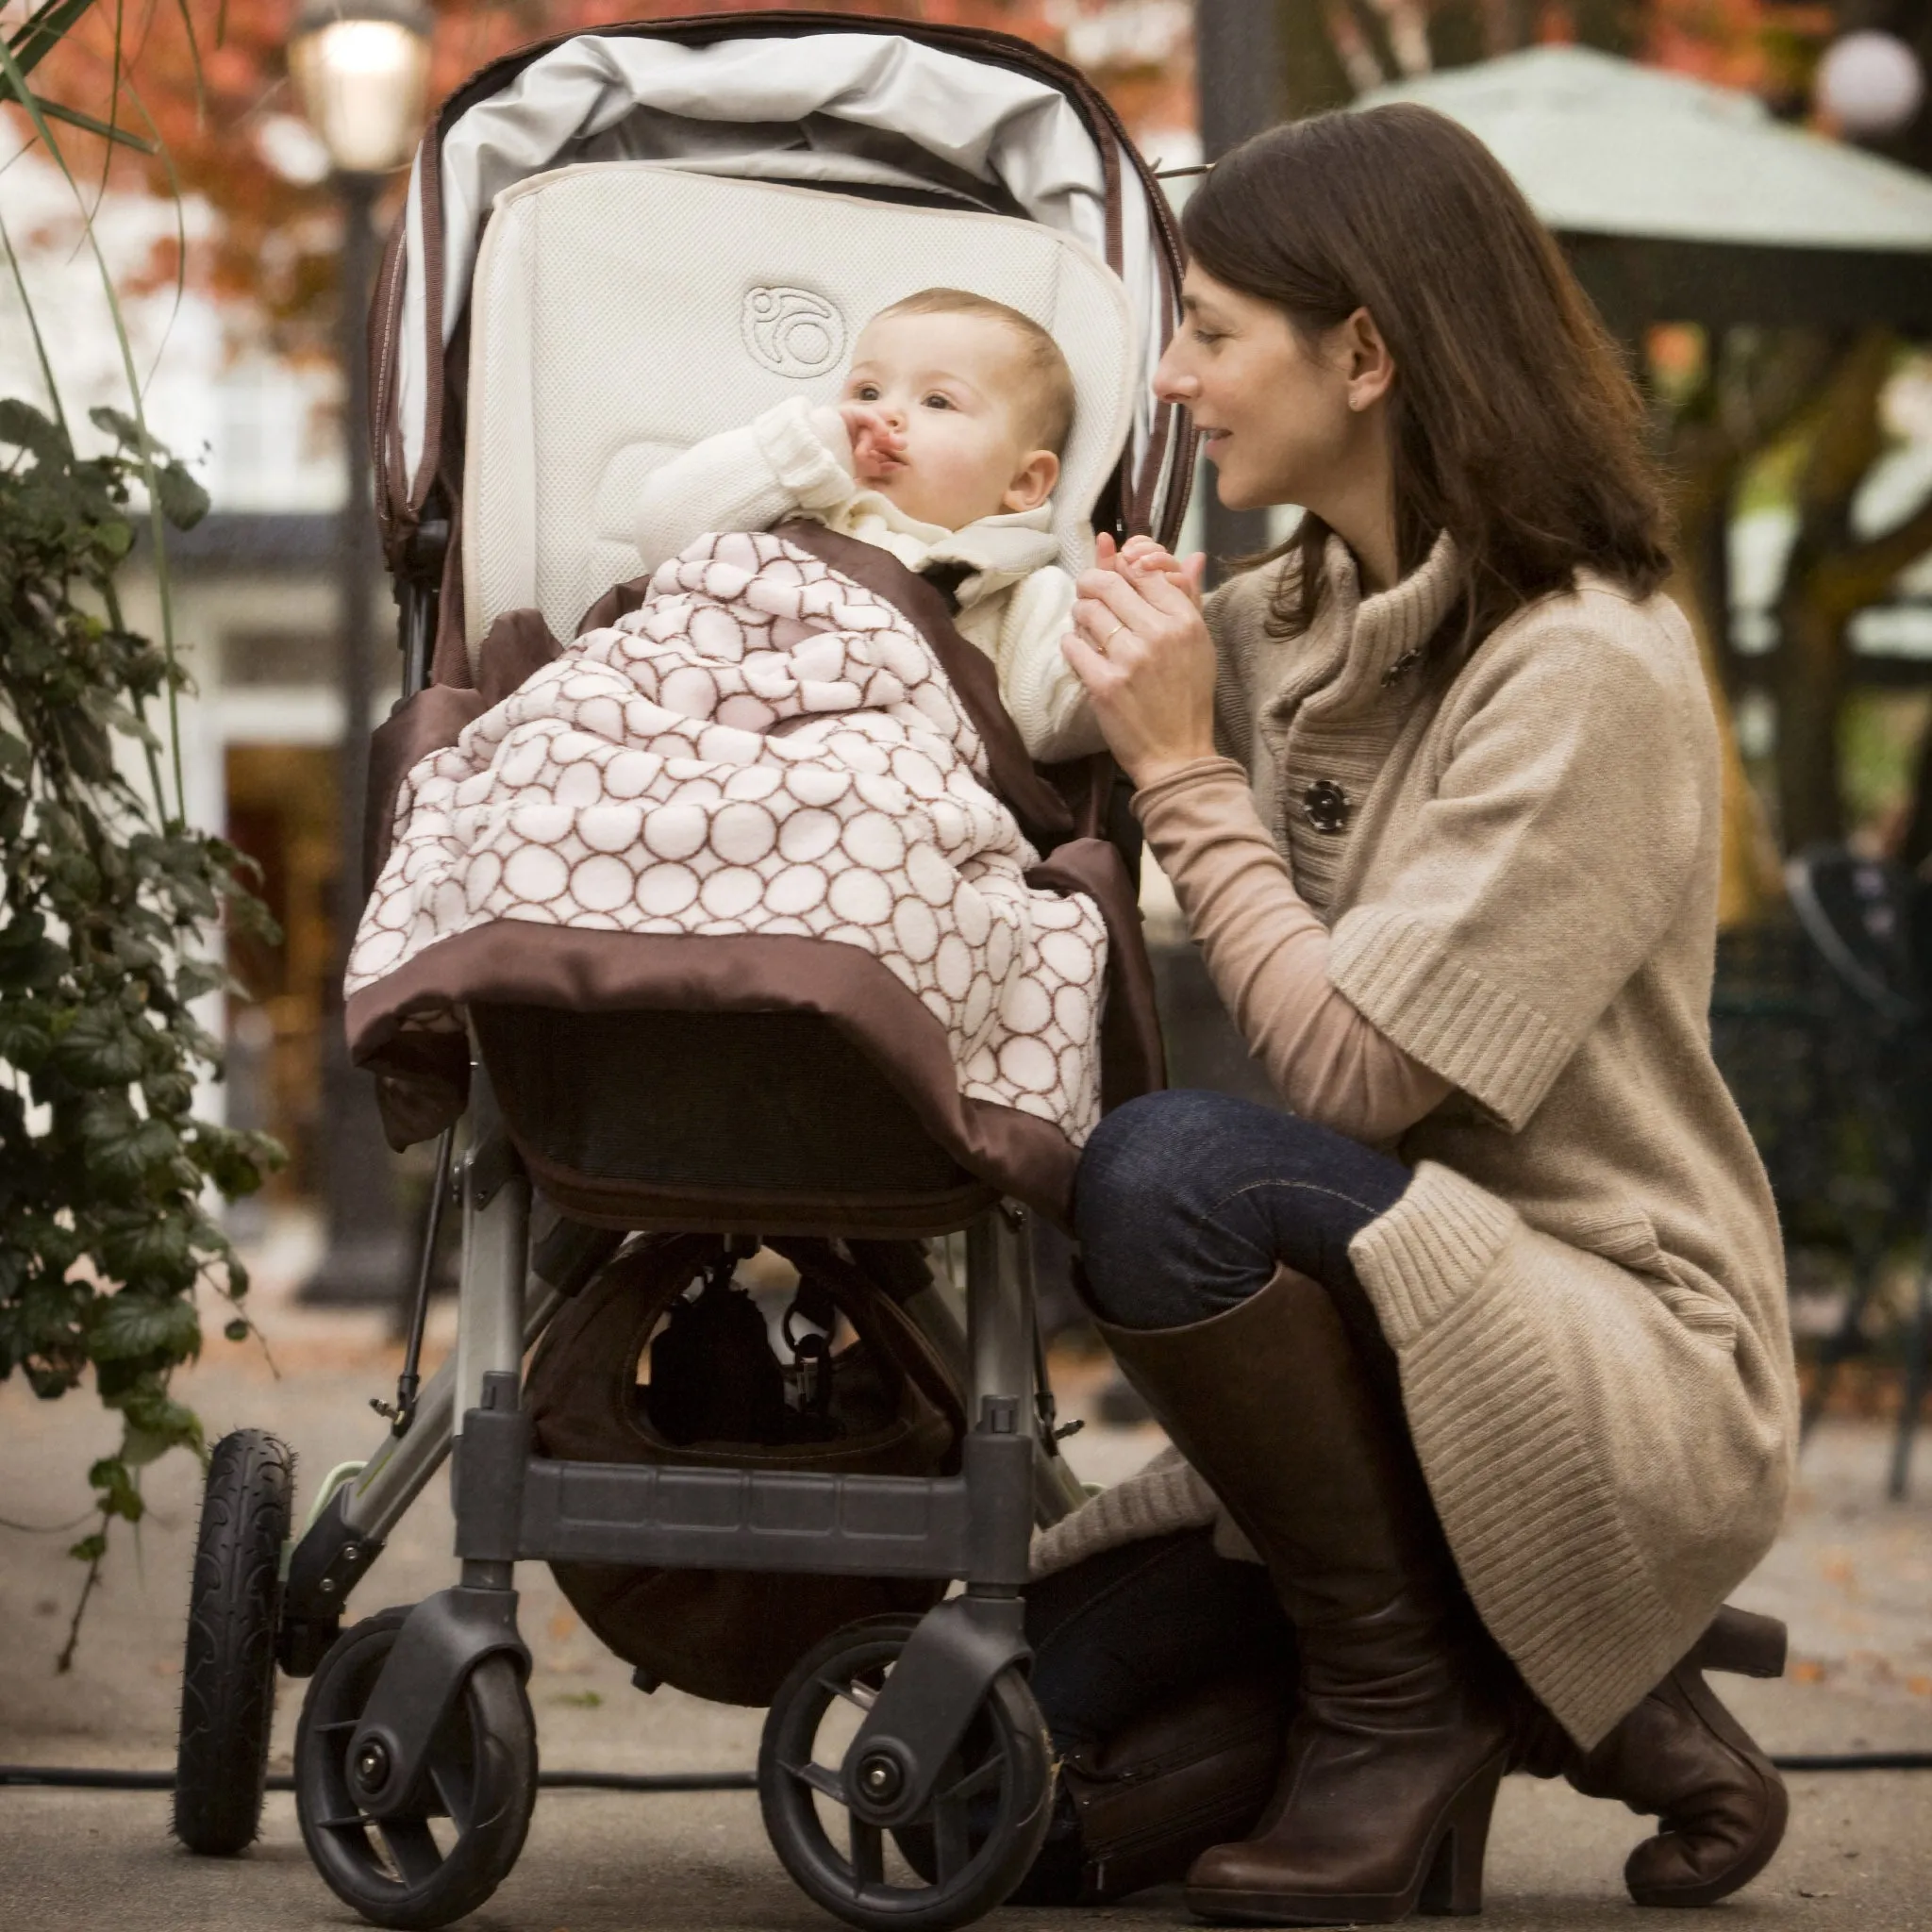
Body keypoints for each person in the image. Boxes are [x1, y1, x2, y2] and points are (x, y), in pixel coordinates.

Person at [1019, 103, 1801, 1924]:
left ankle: (1404, 1694)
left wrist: (1187, 776)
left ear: (1361, 352)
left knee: (1168, 1176)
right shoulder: (1295, 609)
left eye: (1212, 328)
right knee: (996, 1781)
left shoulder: (1583, 666)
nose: (1173, 372)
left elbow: (1356, 1076)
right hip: (1385, 1337)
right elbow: (1042, 700)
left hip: (1611, 1336)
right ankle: (1589, 1677)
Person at [632, 286, 1103, 762]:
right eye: (867, 392)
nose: (885, 413)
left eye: (937, 402)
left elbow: (1052, 728)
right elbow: (662, 537)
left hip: (862, 769)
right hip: (673, 714)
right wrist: (806, 447)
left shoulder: (1023, 592)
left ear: (1024, 481)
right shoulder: (800, 503)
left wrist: (1123, 636)